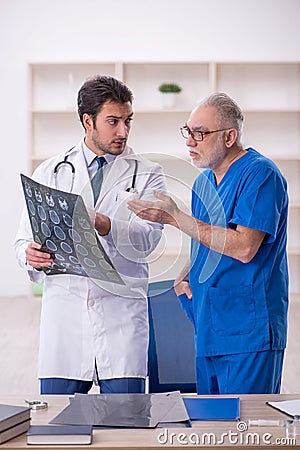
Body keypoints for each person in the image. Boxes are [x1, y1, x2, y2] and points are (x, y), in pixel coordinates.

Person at [128, 92, 289, 394]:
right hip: (208, 324)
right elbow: (208, 238)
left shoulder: (261, 175)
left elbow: (243, 247)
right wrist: (185, 273)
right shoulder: (203, 181)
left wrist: (176, 217)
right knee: (208, 429)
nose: (189, 141)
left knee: (245, 429)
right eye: (187, 132)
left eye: (199, 133)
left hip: (247, 331)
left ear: (230, 136)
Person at [15, 75, 166, 395]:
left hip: (121, 317)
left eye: (128, 121)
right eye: (113, 121)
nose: (123, 131)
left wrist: (106, 224)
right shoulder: (51, 171)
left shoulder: (148, 172)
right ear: (88, 121)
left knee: (126, 426)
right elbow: (22, 239)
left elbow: (149, 239)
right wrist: (29, 254)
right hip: (66, 319)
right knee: (59, 429)